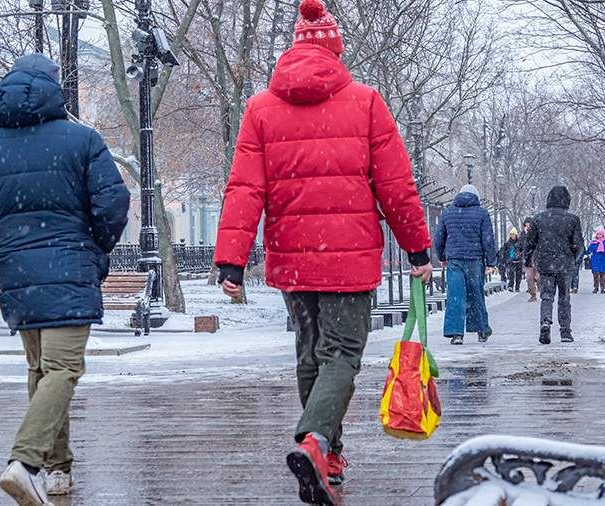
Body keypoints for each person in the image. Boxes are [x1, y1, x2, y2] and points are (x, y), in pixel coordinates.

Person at [212, 1, 432, 503]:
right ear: (336, 49)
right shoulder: (366, 102)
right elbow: (396, 187)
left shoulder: (261, 108)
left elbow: (244, 188)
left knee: (310, 353)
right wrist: (417, 247)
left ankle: (328, 460)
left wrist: (232, 259)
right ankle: (314, 440)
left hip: (292, 256)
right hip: (349, 257)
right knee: (342, 355)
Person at [0, 54, 130, 505]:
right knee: (64, 369)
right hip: (71, 269)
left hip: (19, 275)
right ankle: (25, 463)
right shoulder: (82, 141)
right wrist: (94, 245)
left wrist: (7, 245)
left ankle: (58, 471)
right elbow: (113, 201)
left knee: (42, 370)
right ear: (54, 90)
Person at [434, 184, 497, 346]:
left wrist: (442, 257)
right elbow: (488, 239)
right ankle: (482, 329)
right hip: (475, 260)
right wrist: (491, 262)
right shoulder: (482, 213)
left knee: (456, 296)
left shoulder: (448, 212)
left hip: (454, 259)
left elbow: (439, 238)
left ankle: (456, 333)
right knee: (476, 294)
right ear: (475, 197)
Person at [523, 186, 584, 344]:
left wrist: (528, 260)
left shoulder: (538, 219)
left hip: (545, 264)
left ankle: (545, 321)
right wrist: (574, 260)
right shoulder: (572, 220)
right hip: (565, 264)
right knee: (564, 298)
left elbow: (529, 243)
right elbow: (578, 245)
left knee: (546, 297)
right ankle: (565, 331)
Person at [587, 227, 605, 293]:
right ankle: (596, 287)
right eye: (598, 234)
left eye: (601, 234)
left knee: (603, 275)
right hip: (595, 260)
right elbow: (589, 250)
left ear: (603, 235)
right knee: (595, 274)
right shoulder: (593, 243)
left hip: (603, 260)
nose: (599, 235)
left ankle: (602, 288)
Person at [497, 227, 523, 291]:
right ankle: (510, 286)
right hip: (511, 261)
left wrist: (521, 255)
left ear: (516, 235)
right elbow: (502, 250)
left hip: (519, 261)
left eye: (513, 234)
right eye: (511, 234)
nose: (512, 236)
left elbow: (523, 251)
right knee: (511, 274)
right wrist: (500, 254)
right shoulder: (507, 244)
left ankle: (517, 287)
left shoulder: (520, 243)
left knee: (518, 275)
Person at [519, 218, 539, 302]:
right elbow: (520, 245)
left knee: (538, 276)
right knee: (529, 278)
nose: (527, 226)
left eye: (529, 224)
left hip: (537, 258)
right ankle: (533, 295)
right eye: (526, 225)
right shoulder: (522, 235)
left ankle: (540, 286)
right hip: (528, 259)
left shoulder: (537, 233)